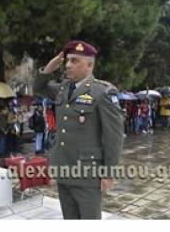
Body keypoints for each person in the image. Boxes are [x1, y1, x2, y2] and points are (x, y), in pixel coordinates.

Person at [33, 40, 125, 220]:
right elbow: (38, 89)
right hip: (63, 169)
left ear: (89, 65)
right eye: (67, 60)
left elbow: (113, 136)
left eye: (75, 61)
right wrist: (48, 69)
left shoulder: (103, 92)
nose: (68, 65)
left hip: (87, 174)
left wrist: (109, 173)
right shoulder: (63, 89)